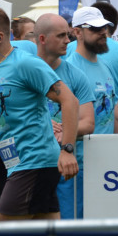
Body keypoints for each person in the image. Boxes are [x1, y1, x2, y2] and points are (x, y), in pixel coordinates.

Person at [0, 6, 79, 221]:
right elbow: (3, 121)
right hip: (22, 165)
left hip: (34, 163)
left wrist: (67, 150)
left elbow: (70, 101)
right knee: (47, 235)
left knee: (4, 234)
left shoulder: (25, 63)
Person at [35, 13, 95, 219]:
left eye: (68, 35)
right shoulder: (23, 71)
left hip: (66, 168)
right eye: (61, 36)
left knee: (67, 226)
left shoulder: (76, 75)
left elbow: (88, 122)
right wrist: (45, 125)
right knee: (29, 229)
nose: (68, 40)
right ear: (42, 39)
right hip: (31, 165)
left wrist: (65, 133)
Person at [66, 7, 117, 134]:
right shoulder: (69, 69)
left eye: (104, 27)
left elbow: (113, 112)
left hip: (109, 145)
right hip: (83, 146)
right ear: (78, 32)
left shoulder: (106, 65)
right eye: (95, 28)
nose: (103, 32)